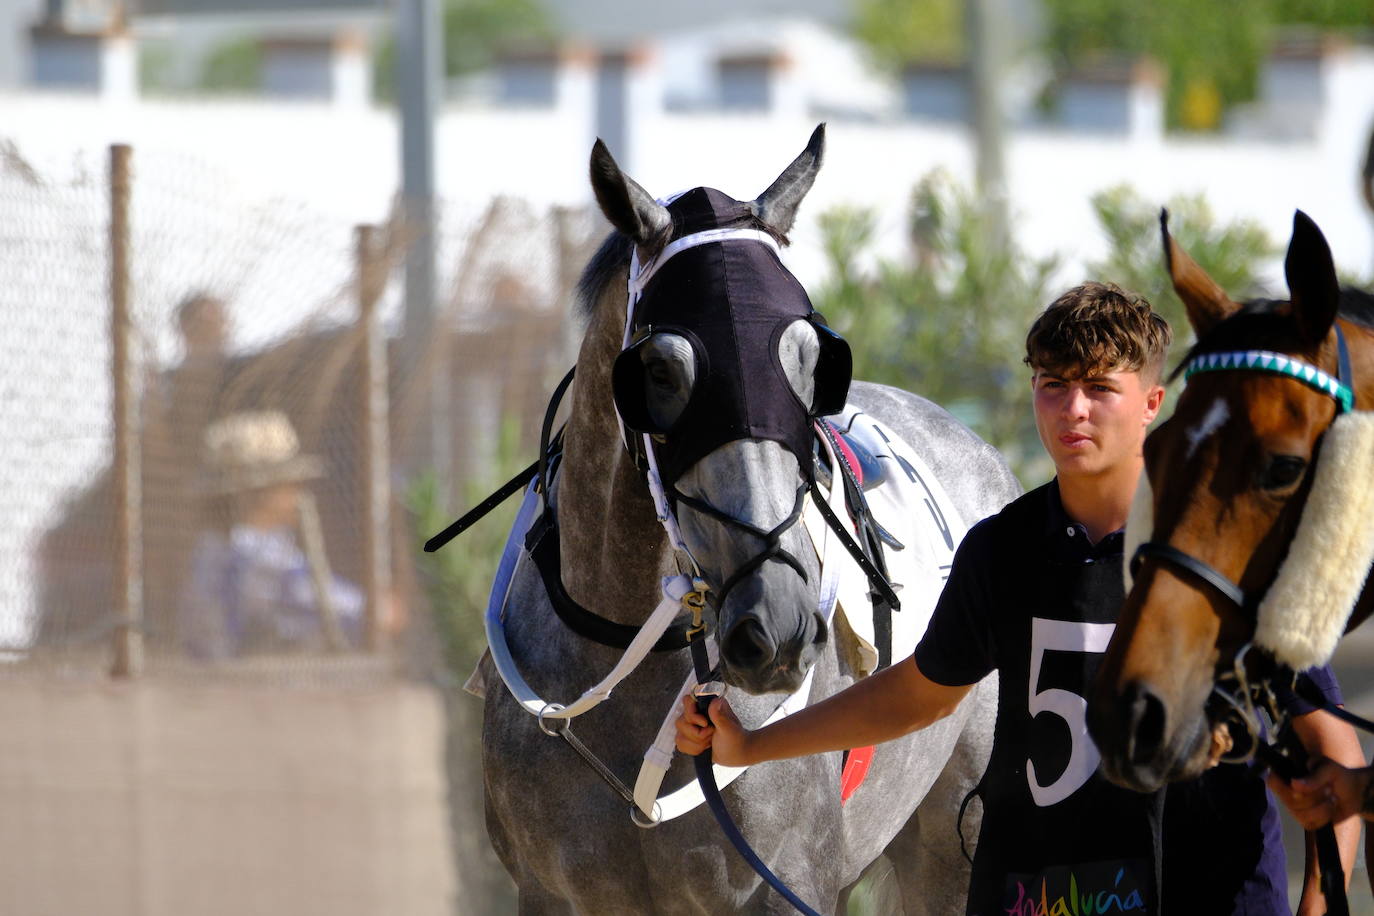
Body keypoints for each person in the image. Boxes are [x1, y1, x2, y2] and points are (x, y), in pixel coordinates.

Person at [677, 282, 1363, 915]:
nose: (1074, 410)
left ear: (1154, 403)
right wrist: (753, 744)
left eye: (1100, 387)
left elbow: (1330, 743)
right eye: (1054, 385)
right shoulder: (1001, 548)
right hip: (1042, 898)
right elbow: (922, 693)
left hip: (1216, 897)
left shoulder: (1224, 545)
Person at [180, 409, 367, 659]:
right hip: (243, 686)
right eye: (289, 484)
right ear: (263, 492)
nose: (298, 494)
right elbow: (348, 610)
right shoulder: (254, 556)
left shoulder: (215, 547)